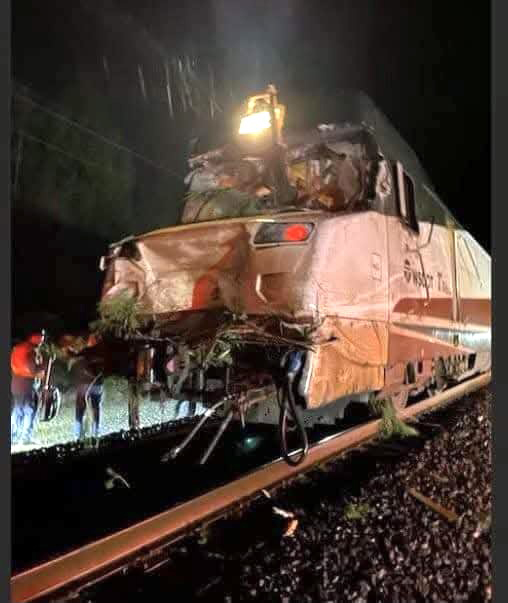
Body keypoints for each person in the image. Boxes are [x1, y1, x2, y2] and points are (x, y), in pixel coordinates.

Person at [11, 333, 45, 445]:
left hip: (16, 384)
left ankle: (12, 436)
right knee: (30, 410)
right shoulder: (31, 351)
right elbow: (32, 369)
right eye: (41, 341)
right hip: (27, 385)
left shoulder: (18, 349)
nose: (42, 343)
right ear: (37, 341)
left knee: (17, 410)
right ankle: (26, 437)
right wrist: (41, 369)